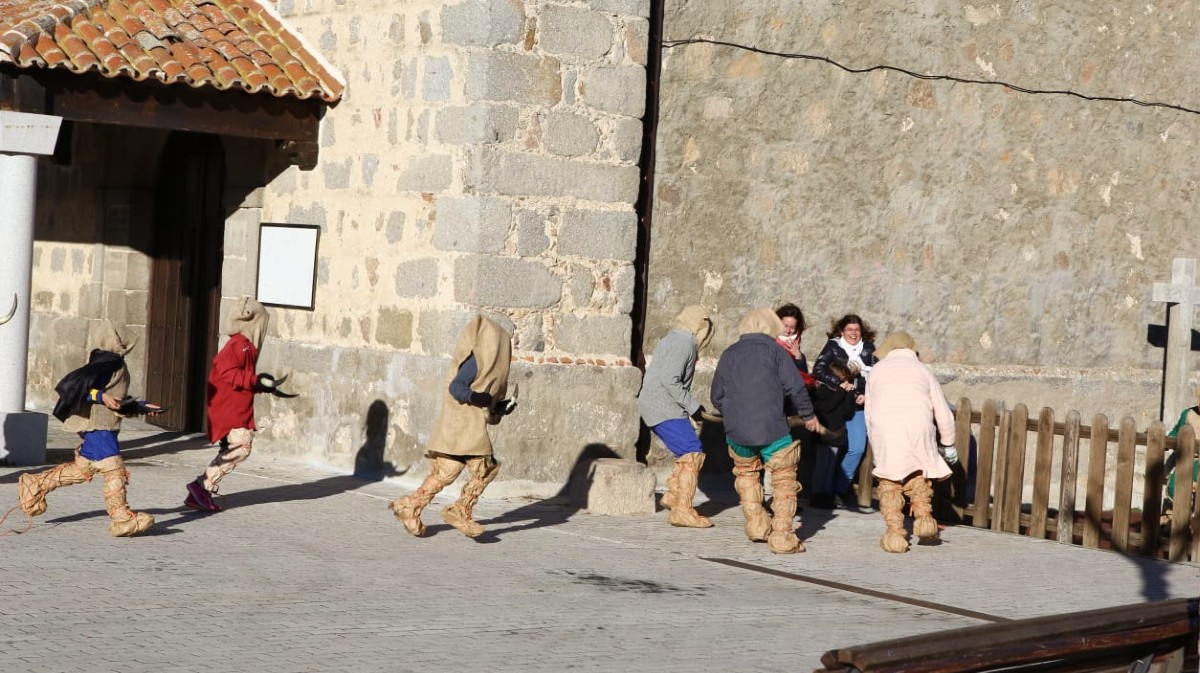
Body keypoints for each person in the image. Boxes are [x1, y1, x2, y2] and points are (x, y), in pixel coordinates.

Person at [18, 320, 160, 537]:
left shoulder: (112, 362)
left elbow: (116, 400)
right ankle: (120, 518)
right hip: (97, 425)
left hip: (106, 425)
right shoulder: (106, 362)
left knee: (82, 469)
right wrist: (100, 395)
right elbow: (74, 388)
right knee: (114, 468)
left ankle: (35, 484)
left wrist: (140, 406)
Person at [389, 315, 517, 538]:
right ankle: (460, 510)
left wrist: (500, 407)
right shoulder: (477, 360)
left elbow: (488, 406)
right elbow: (456, 387)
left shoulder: (491, 367)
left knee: (446, 473)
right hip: (460, 427)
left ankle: (409, 507)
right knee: (487, 468)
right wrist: (475, 397)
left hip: (464, 429)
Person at [712, 308, 821, 554]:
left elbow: (716, 396)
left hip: (737, 430)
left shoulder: (729, 353)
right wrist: (808, 415)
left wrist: (734, 412)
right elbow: (796, 387)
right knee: (784, 480)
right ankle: (782, 536)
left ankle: (757, 527)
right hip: (772, 427)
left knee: (747, 476)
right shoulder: (776, 351)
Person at [864, 332, 956, 553]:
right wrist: (948, 443)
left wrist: (876, 444)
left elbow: (869, 411)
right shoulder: (923, 370)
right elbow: (942, 411)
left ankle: (896, 535)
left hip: (886, 427)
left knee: (890, 482)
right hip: (919, 426)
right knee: (918, 473)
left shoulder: (876, 371)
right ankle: (925, 521)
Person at [184, 297, 271, 512]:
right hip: (229, 407)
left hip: (236, 405)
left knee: (236, 447)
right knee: (241, 447)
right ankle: (202, 486)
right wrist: (253, 381)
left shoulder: (245, 347)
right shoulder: (239, 345)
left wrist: (260, 384)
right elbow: (226, 371)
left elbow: (242, 377)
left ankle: (201, 490)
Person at [638, 306, 715, 528]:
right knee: (692, 453)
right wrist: (693, 406)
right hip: (663, 406)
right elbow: (670, 380)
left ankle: (674, 495)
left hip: (660, 405)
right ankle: (682, 509)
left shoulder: (674, 339)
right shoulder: (684, 343)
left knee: (686, 451)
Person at [812, 313, 878, 503]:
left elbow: (877, 375)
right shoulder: (834, 346)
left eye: (857, 329)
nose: (853, 333)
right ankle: (822, 493)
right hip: (837, 403)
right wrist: (839, 382)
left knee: (857, 448)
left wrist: (867, 394)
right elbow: (819, 369)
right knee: (831, 449)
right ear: (842, 331)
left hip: (858, 405)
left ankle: (839, 488)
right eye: (849, 329)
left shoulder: (869, 349)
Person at [806, 360, 859, 509]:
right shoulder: (822, 391)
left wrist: (850, 394)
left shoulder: (841, 392)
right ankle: (817, 495)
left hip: (836, 434)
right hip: (824, 433)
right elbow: (828, 407)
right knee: (822, 466)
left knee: (830, 467)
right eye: (841, 379)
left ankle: (826, 495)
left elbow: (847, 412)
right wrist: (842, 392)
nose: (843, 382)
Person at [775, 303, 810, 377]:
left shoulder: (795, 344)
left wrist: (799, 357)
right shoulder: (769, 340)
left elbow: (803, 374)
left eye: (792, 328)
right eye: (785, 326)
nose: (788, 331)